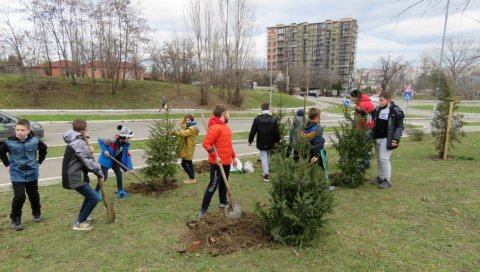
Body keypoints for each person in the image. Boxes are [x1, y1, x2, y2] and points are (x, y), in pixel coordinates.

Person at [0, 119, 47, 231]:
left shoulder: (35, 141)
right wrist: (7, 165)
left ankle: (36, 213)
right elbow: (1, 152)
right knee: (20, 196)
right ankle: (15, 219)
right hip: (17, 174)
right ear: (14, 130)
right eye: (17, 130)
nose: (19, 132)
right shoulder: (9, 142)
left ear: (28, 130)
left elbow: (44, 149)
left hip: (32, 173)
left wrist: (39, 162)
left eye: (22, 130)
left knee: (34, 195)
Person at [62, 119, 104, 231]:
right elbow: (88, 161)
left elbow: (83, 158)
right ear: (84, 129)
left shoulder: (78, 141)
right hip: (75, 177)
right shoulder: (78, 143)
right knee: (94, 198)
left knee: (89, 196)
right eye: (87, 128)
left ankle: (82, 218)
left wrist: (89, 151)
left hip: (78, 174)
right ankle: (79, 223)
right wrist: (100, 173)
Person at [199, 105, 237, 218]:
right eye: (228, 113)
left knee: (223, 184)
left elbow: (228, 144)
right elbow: (206, 143)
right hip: (217, 163)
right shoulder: (215, 128)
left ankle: (223, 202)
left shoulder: (225, 127)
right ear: (223, 113)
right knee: (213, 185)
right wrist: (215, 156)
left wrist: (234, 156)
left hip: (226, 162)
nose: (229, 115)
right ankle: (203, 209)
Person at [371, 91, 404, 189]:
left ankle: (387, 180)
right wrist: (363, 112)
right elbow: (370, 116)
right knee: (379, 159)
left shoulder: (395, 111)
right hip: (377, 138)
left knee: (384, 158)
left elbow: (399, 126)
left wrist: (396, 139)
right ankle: (381, 178)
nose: (379, 102)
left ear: (388, 100)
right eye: (379, 100)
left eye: (381, 100)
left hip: (388, 139)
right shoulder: (378, 109)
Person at [95, 125, 134, 199]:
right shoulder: (111, 140)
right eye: (128, 137)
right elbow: (99, 140)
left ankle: (120, 191)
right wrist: (105, 150)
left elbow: (127, 157)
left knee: (119, 174)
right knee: (104, 177)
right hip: (106, 160)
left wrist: (130, 168)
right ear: (124, 137)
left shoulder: (125, 146)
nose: (129, 139)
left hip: (115, 161)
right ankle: (96, 192)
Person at [248, 103, 280, 182]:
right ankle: (266, 172)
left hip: (261, 142)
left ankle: (266, 175)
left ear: (261, 109)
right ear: (268, 108)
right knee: (267, 156)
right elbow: (277, 132)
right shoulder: (273, 119)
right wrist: (277, 141)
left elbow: (252, 131)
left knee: (264, 157)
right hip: (270, 142)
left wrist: (250, 141)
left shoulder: (257, 119)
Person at [350, 89, 376, 169]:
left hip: (366, 128)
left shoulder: (362, 104)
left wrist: (357, 129)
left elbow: (362, 118)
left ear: (356, 97)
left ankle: (364, 163)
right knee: (366, 146)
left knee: (364, 146)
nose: (351, 99)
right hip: (369, 127)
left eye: (352, 97)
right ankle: (366, 162)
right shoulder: (364, 102)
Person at [173, 114, 199, 184]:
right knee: (189, 163)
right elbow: (180, 124)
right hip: (187, 148)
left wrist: (174, 132)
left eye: (189, 120)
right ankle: (192, 178)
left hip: (188, 149)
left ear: (192, 120)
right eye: (187, 120)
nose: (187, 121)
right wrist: (185, 117)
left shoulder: (191, 128)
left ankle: (192, 177)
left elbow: (183, 133)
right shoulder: (187, 126)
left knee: (183, 163)